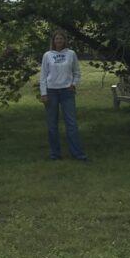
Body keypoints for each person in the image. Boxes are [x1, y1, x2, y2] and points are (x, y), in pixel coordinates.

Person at [39, 29, 88, 161]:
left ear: (65, 41)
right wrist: (43, 93)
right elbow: (43, 76)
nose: (59, 41)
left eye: (61, 39)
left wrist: (74, 84)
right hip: (51, 92)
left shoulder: (71, 54)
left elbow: (77, 72)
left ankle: (78, 154)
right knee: (52, 124)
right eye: (56, 39)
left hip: (67, 92)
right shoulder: (47, 55)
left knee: (71, 123)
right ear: (53, 41)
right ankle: (55, 154)